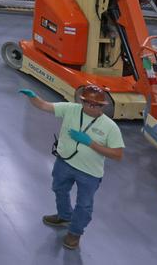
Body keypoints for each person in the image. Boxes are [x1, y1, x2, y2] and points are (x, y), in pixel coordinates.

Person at [19, 83, 124, 249]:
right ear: (82, 101)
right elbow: (44, 105)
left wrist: (91, 143)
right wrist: (33, 97)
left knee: (84, 205)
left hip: (89, 173)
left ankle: (75, 233)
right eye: (88, 103)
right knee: (59, 189)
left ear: (102, 106)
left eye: (96, 105)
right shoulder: (70, 109)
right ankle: (64, 216)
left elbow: (117, 155)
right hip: (64, 163)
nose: (92, 107)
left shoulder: (110, 127)